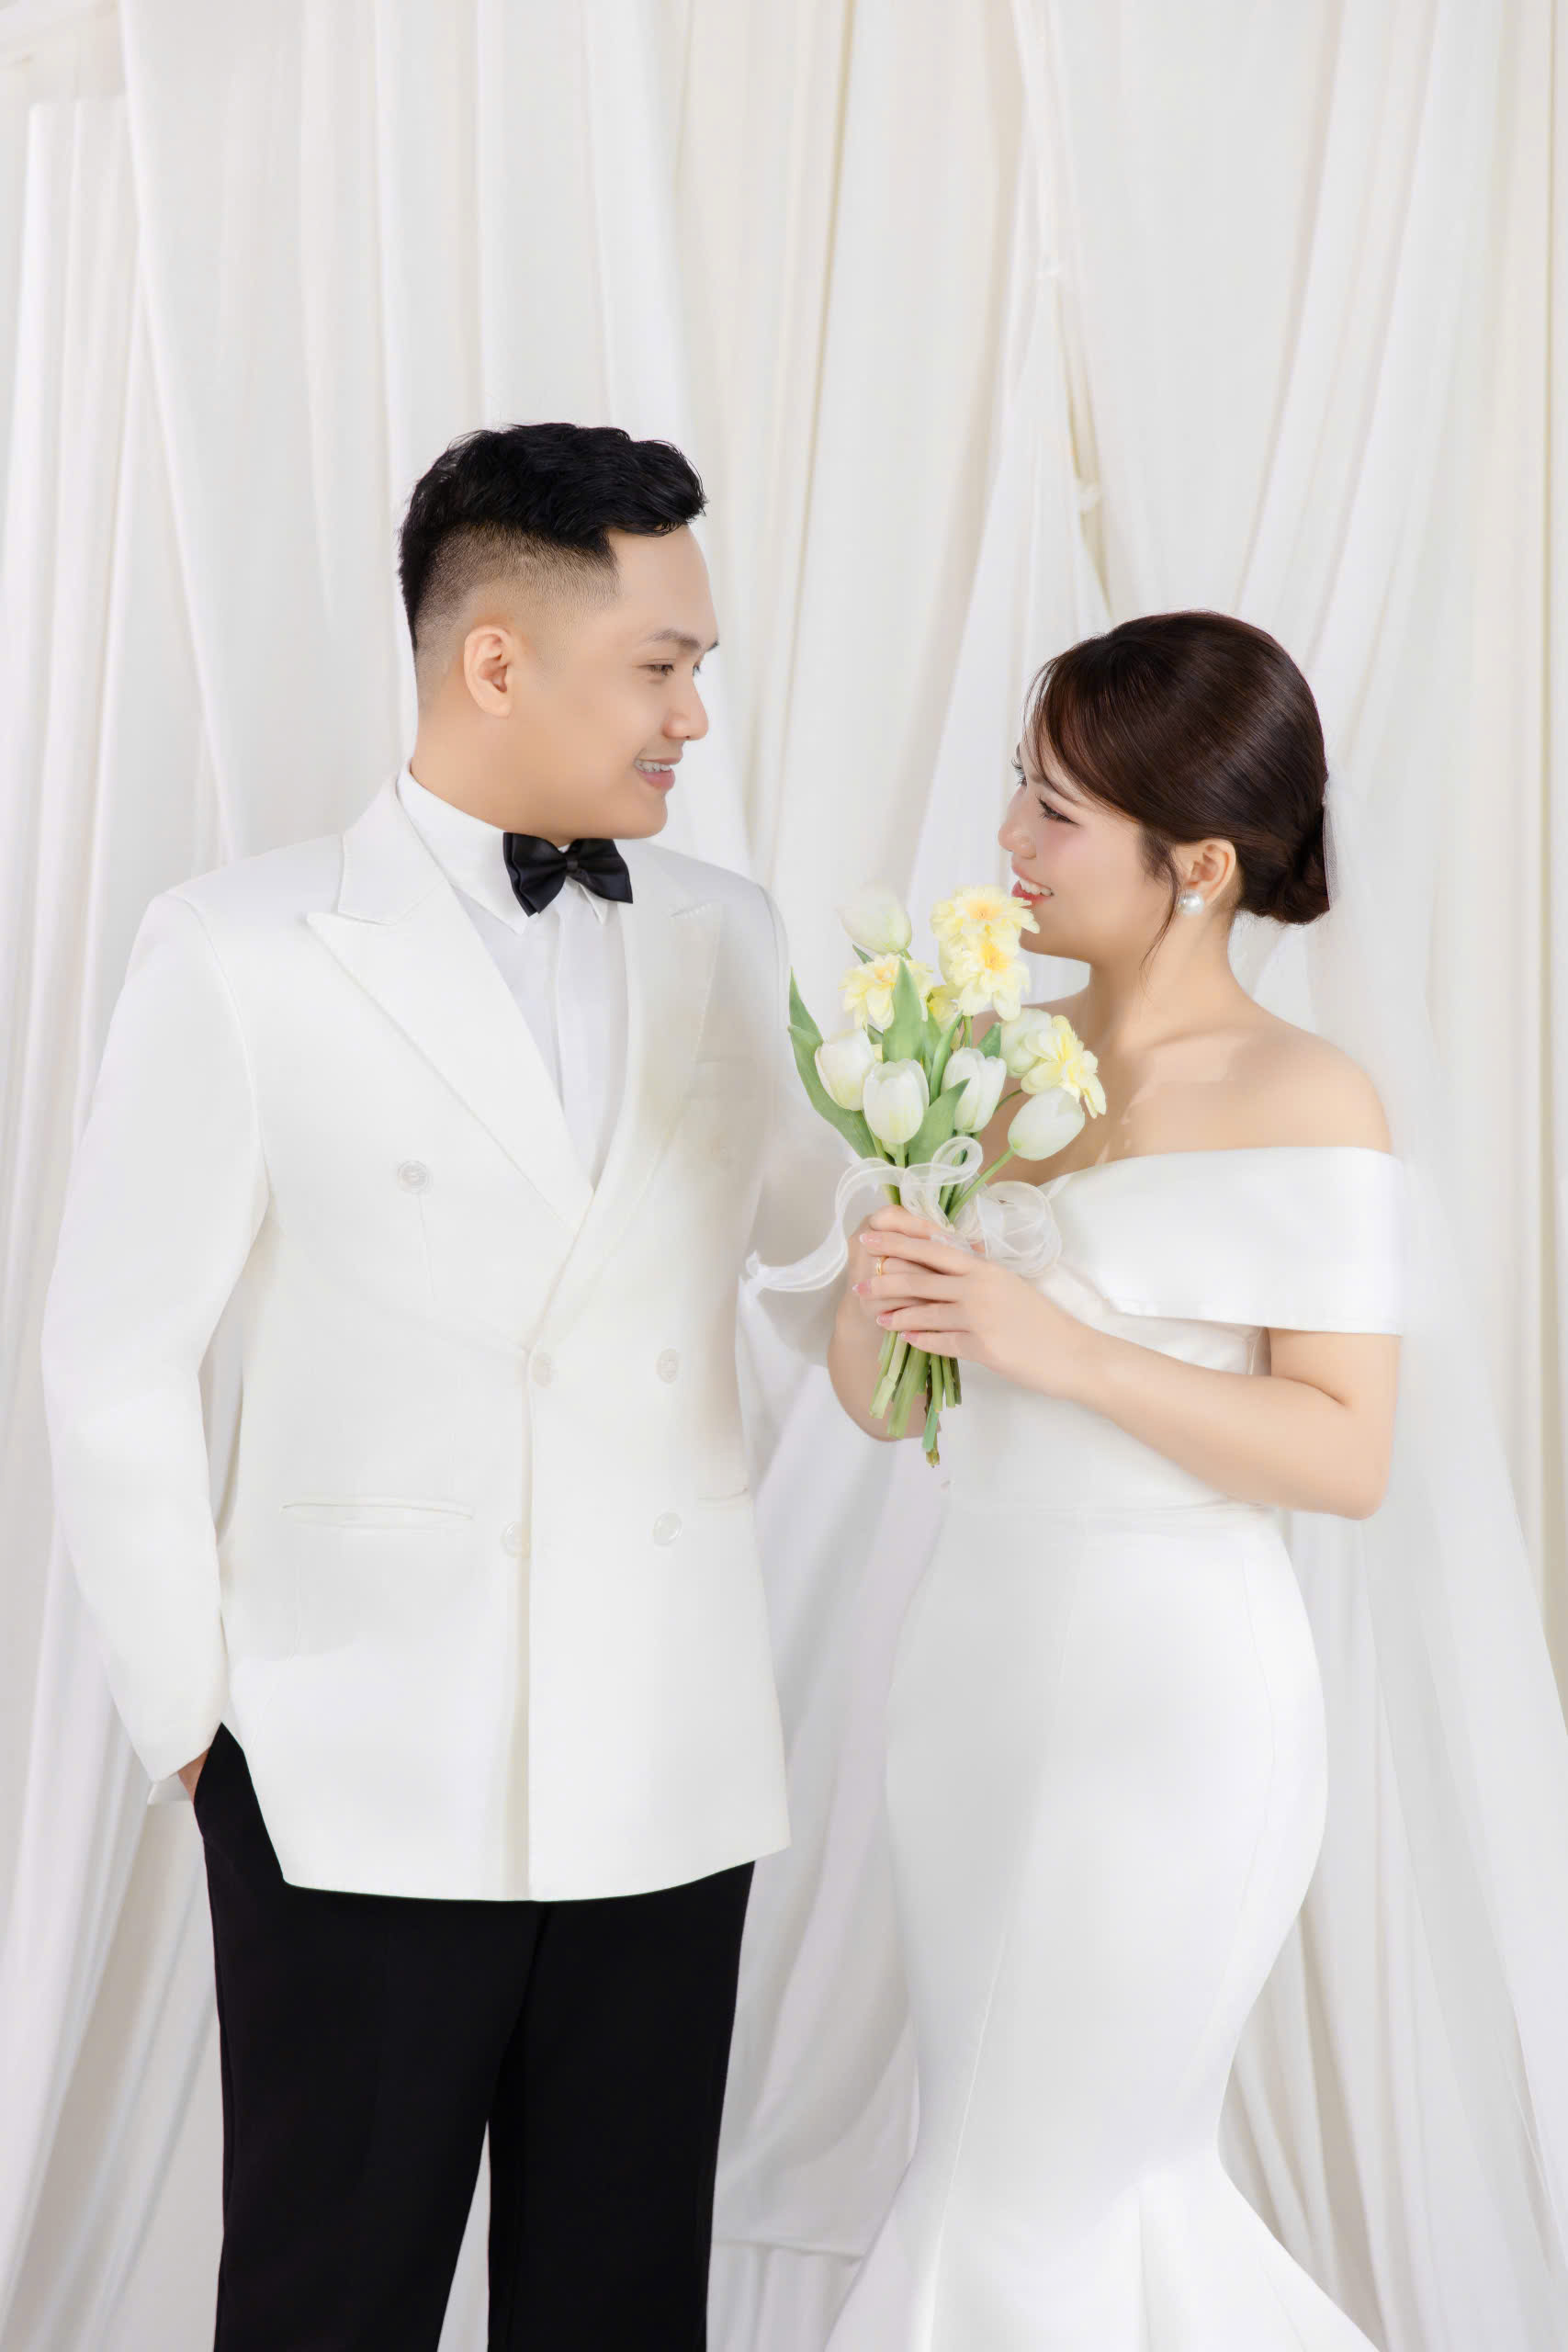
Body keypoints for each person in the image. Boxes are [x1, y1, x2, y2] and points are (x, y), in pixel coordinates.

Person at [39, 421, 841, 2350]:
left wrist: (950, 1223)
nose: (693, 716)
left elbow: (817, 1256)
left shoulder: (728, 934)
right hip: (347, 1773)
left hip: (663, 1760)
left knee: (622, 2312)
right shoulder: (240, 948)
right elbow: (111, 1353)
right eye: (662, 665)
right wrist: (196, 1727)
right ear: (499, 658)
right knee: (327, 2305)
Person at [822, 613, 1402, 2346]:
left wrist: (1062, 1348)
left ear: (1200, 866)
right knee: (996, 2157)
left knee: (1043, 2188)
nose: (1009, 836)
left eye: (1057, 810)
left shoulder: (1309, 1097)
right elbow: (882, 1409)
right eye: (1020, 786)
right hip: (971, 1686)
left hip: (1176, 1702)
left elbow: (1346, 1450)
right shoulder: (981, 1060)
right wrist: (881, 1272)